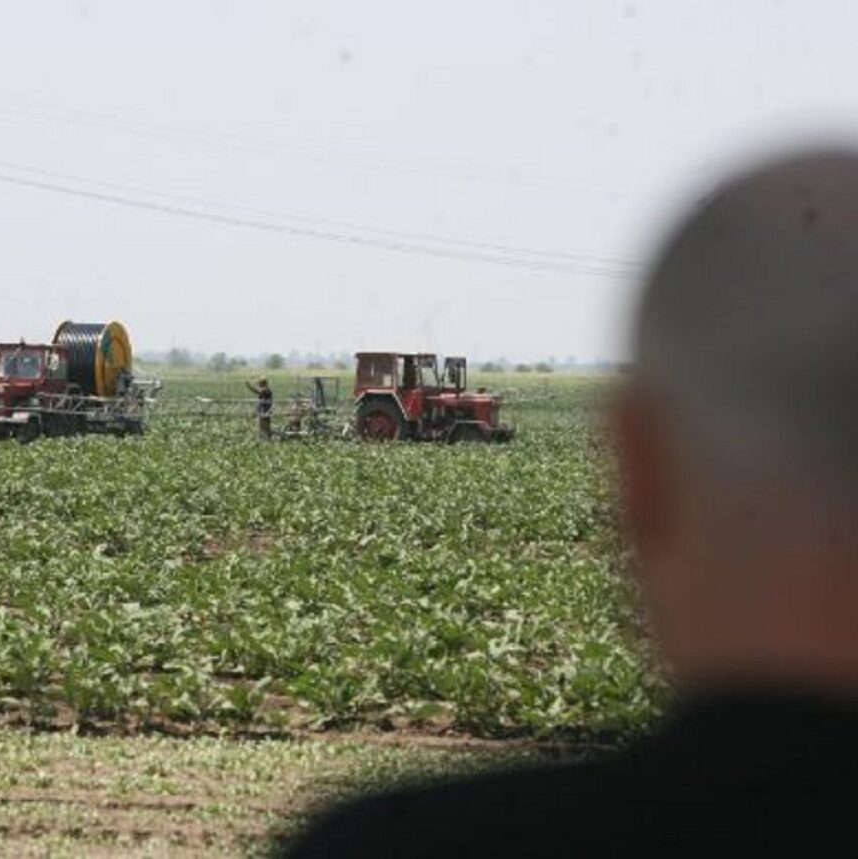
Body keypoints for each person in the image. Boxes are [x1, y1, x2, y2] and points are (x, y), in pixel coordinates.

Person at [285, 150, 858, 855]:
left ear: (636, 471)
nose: (419, 387)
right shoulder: (383, 398)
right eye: (411, 379)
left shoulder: (393, 842)